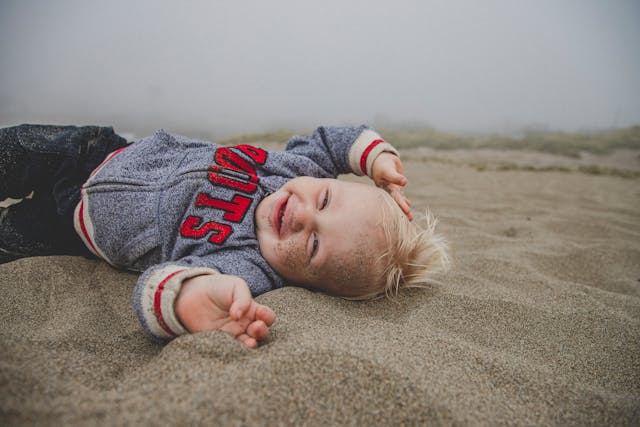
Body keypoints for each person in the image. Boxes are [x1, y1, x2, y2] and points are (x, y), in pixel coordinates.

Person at [0, 124, 448, 348]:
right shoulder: (297, 169)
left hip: (77, 227)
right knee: (15, 148)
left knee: (10, 238)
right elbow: (332, 140)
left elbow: (158, 282)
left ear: (308, 287)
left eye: (314, 245)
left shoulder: (249, 265)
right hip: (104, 150)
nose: (304, 215)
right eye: (326, 200)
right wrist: (376, 157)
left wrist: (190, 296)